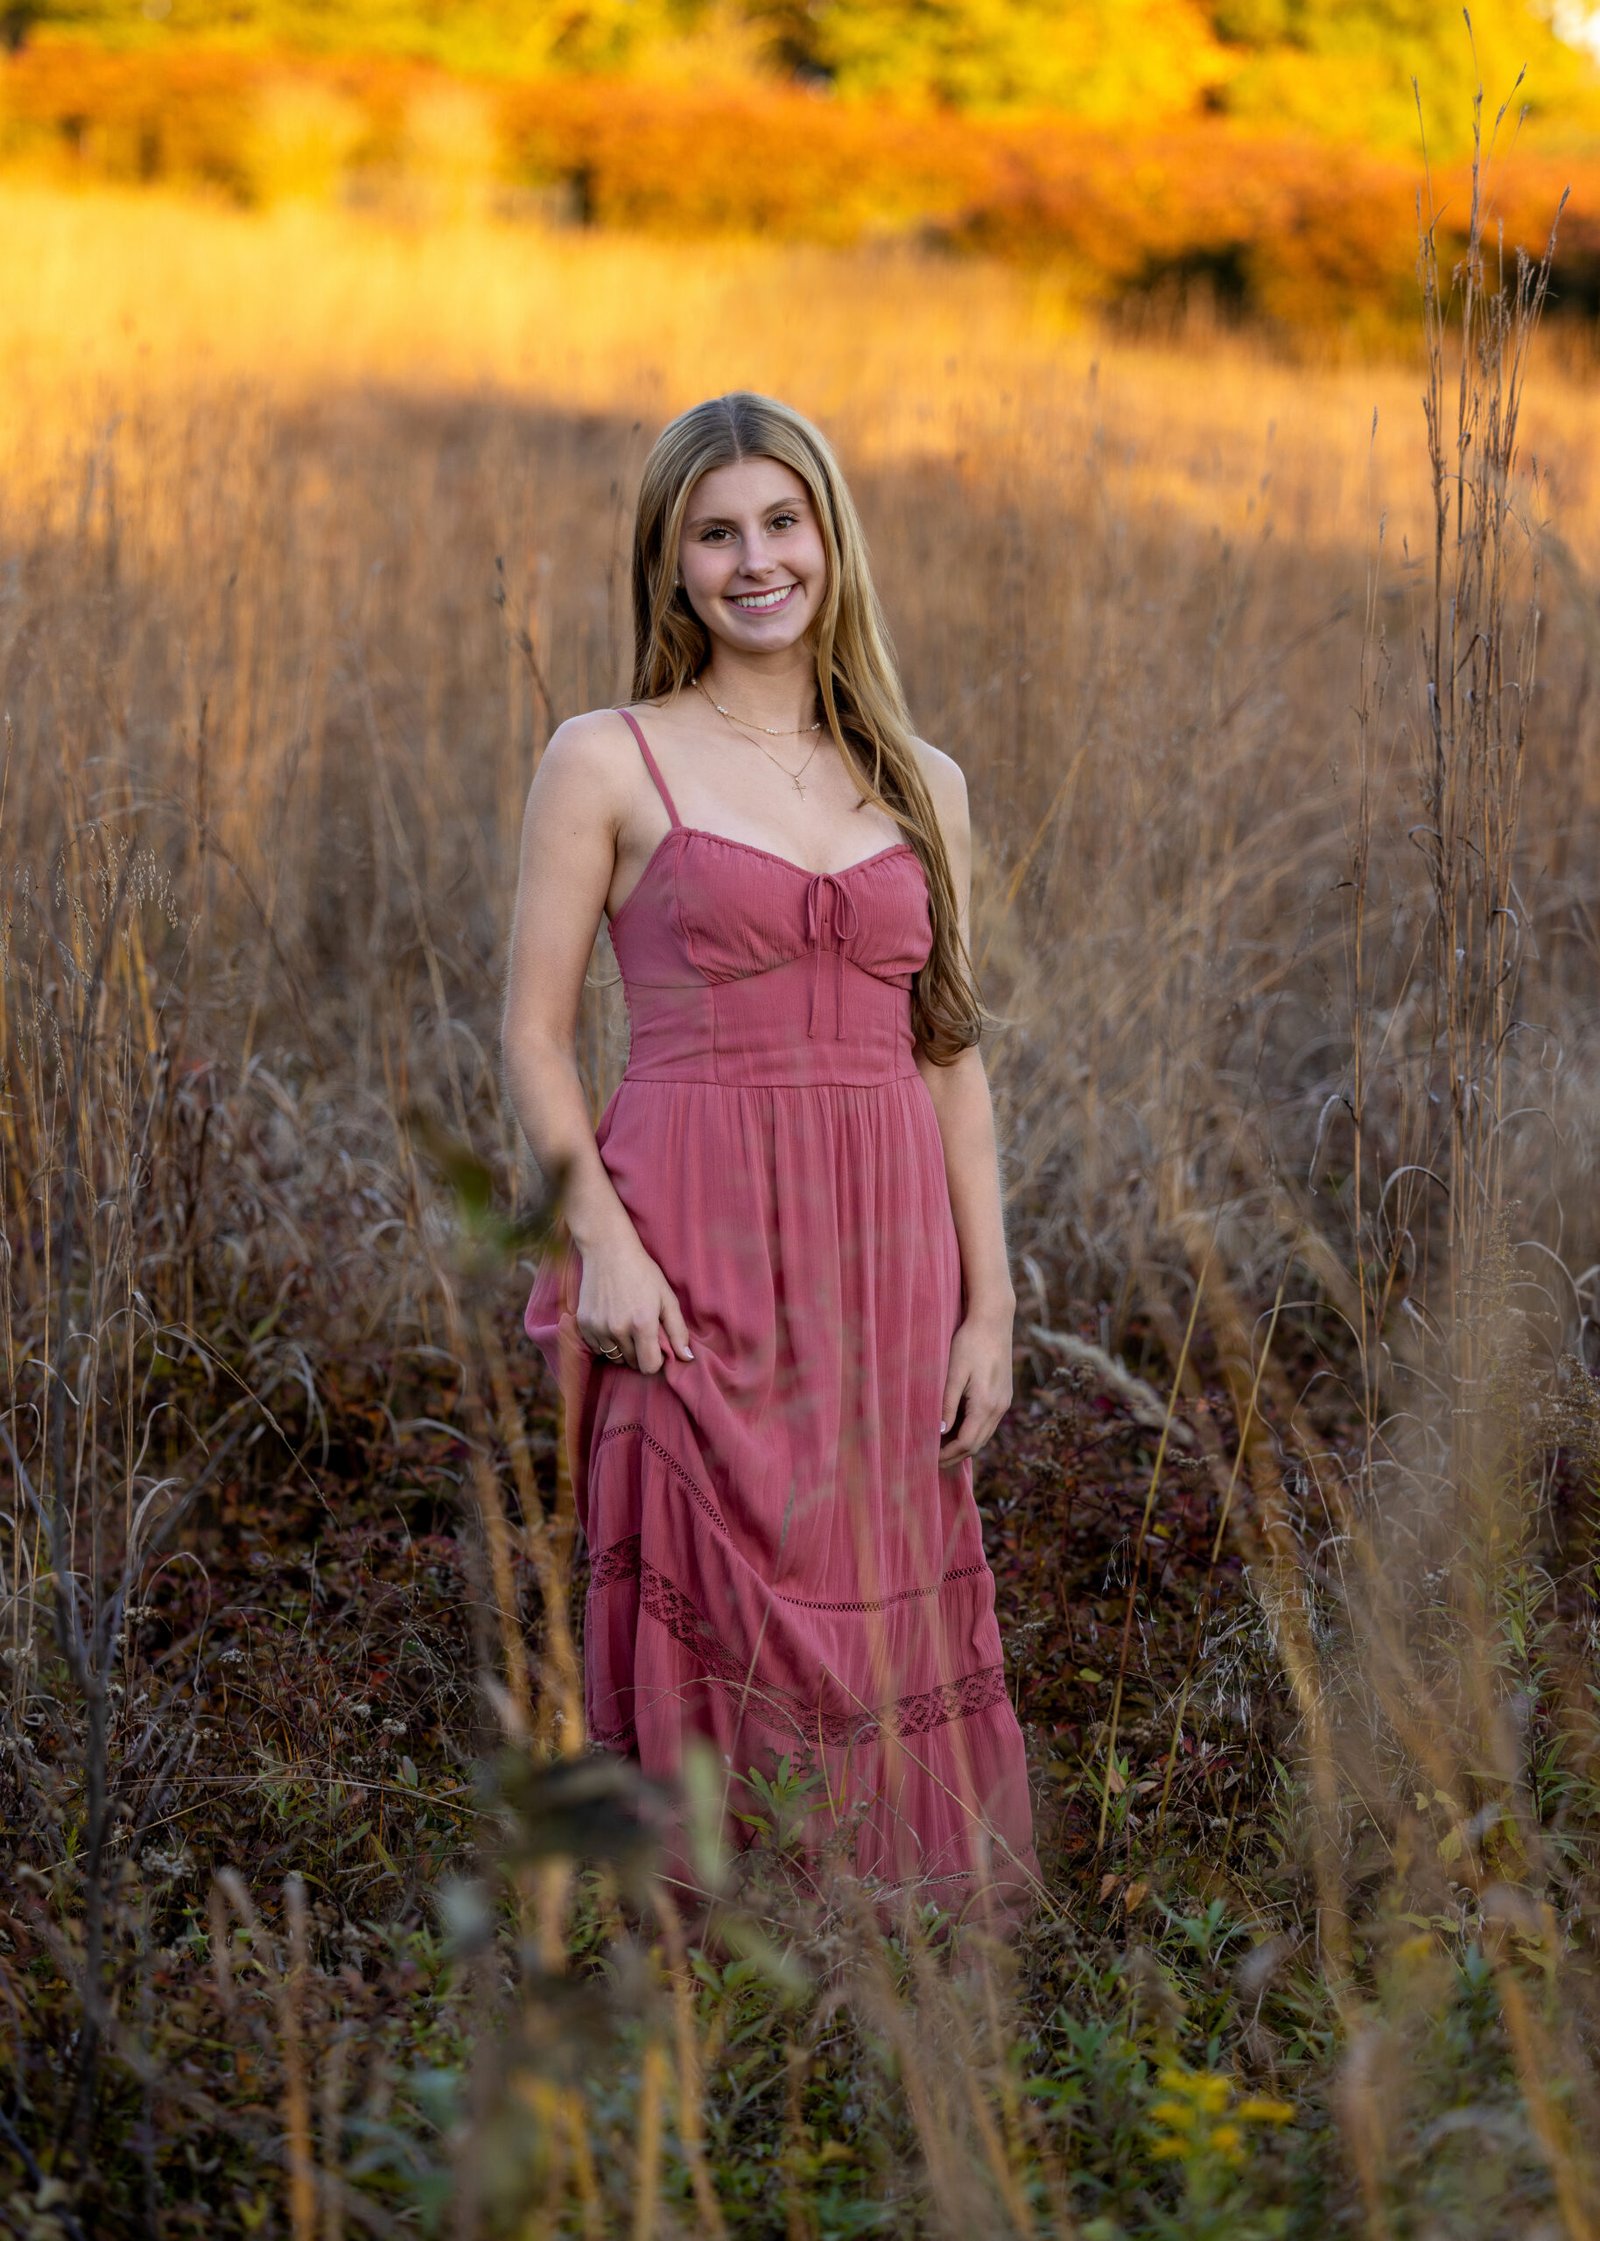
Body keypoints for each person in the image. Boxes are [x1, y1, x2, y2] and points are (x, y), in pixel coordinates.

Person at [503, 391, 1038, 1922]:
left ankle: (882, 1973)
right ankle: (712, 1966)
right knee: (709, 1591)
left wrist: (989, 1304)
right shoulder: (606, 759)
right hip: (690, 1245)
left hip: (888, 1260)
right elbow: (536, 1038)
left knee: (877, 1606)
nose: (756, 560)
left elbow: (951, 1051)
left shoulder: (922, 781)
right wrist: (599, 1237)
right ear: (670, 564)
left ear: (830, 540)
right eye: (716, 532)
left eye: (782, 522)